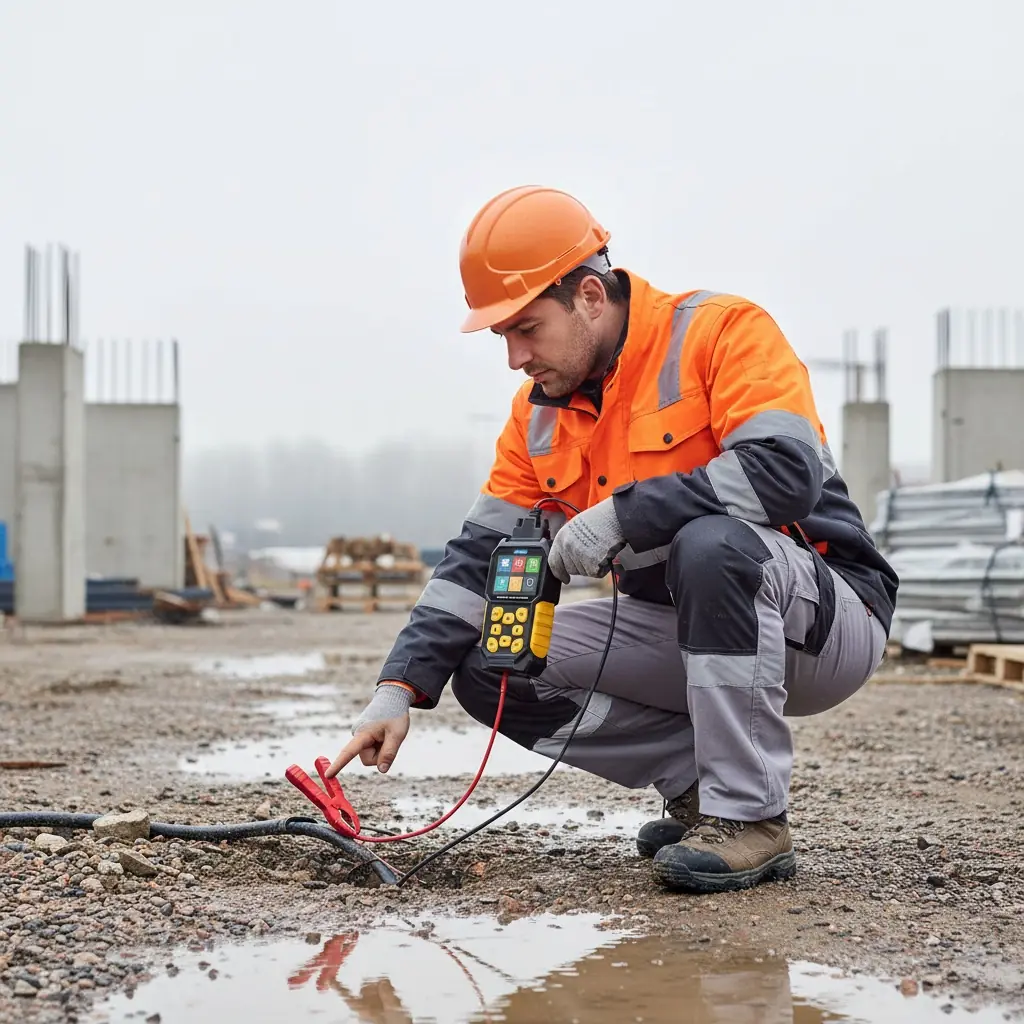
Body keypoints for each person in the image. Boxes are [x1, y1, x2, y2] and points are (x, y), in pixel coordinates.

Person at [327, 185, 898, 894]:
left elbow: (786, 474)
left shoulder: (721, 331)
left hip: (823, 620)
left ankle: (752, 819)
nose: (513, 356)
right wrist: (397, 689)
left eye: (526, 328)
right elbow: (478, 558)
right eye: (502, 335)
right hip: (682, 626)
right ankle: (702, 795)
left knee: (714, 544)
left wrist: (627, 515)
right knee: (496, 663)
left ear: (590, 296)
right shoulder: (535, 417)